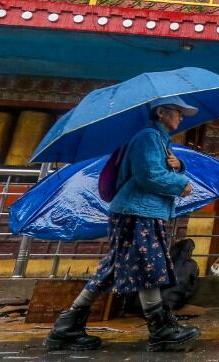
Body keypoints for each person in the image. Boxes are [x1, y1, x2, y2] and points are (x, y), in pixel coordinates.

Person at [45, 96, 200, 352]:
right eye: (178, 112)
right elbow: (148, 175)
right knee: (148, 265)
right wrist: (181, 184)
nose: (181, 117)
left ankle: (67, 327)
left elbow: (155, 170)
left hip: (139, 212)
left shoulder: (158, 140)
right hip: (138, 213)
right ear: (161, 112)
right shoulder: (148, 137)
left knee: (113, 269)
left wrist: (179, 165)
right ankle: (160, 328)